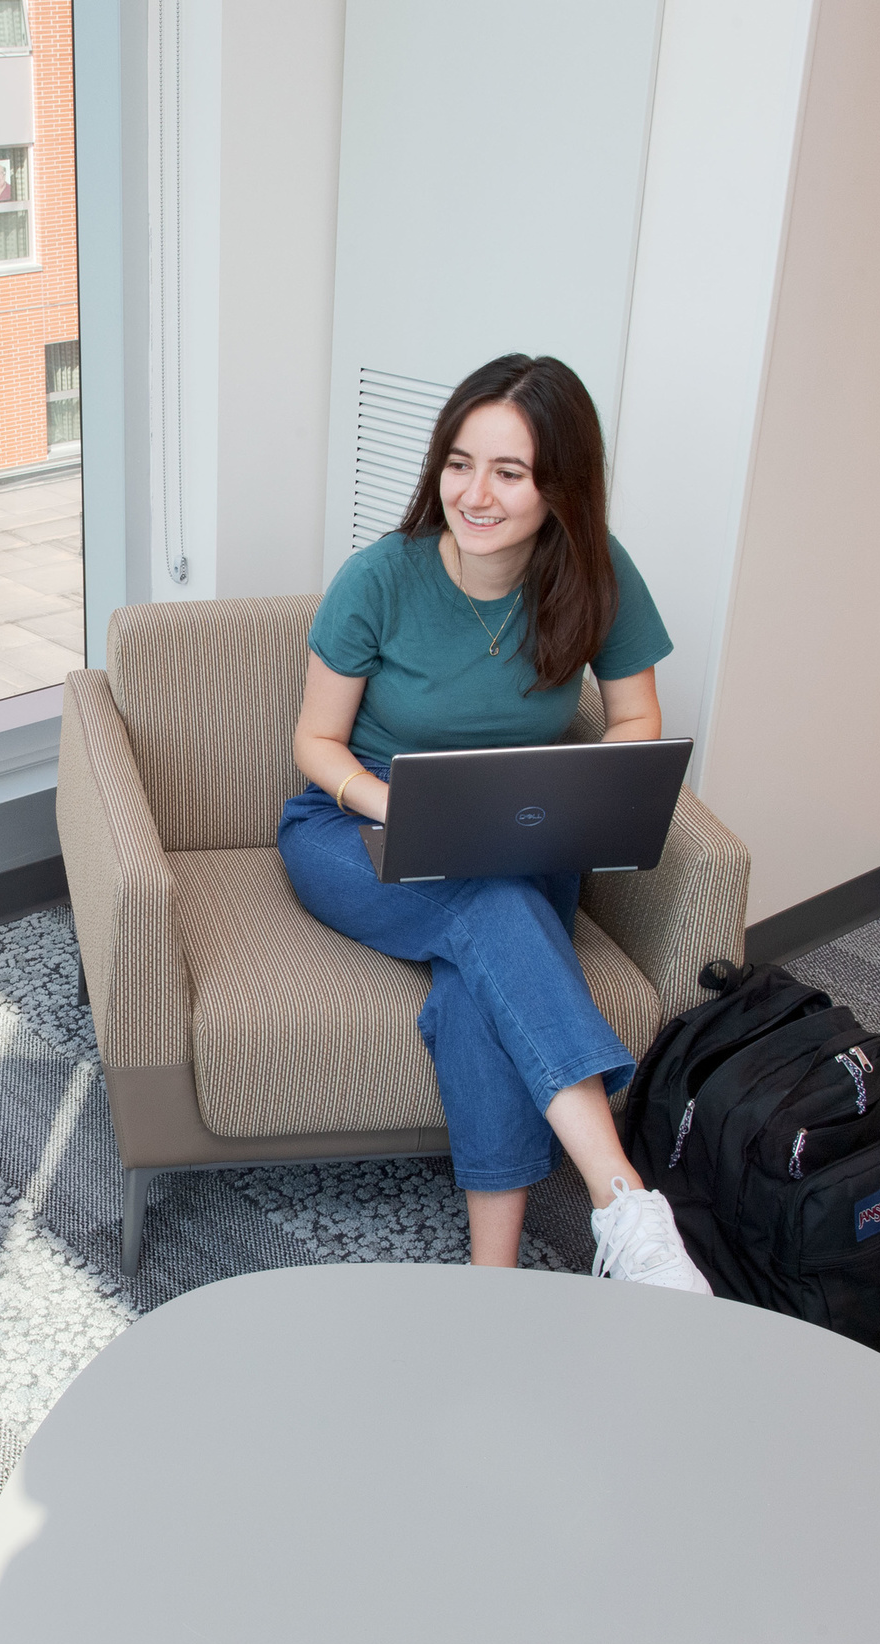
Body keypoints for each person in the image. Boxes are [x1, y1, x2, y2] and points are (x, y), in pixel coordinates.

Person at [279, 353, 710, 1290]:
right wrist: (399, 806)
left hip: (518, 836)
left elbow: (638, 716)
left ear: (560, 488)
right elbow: (316, 743)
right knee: (489, 904)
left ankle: (493, 1286)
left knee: (481, 976)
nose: (475, 493)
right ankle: (626, 1207)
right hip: (355, 826)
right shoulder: (380, 578)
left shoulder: (595, 573)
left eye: (508, 473)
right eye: (460, 463)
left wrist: (572, 795)